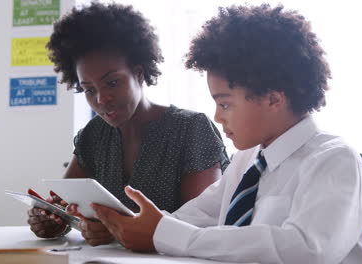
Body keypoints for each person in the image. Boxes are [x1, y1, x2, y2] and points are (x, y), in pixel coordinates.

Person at [89, 4, 362, 263]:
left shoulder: (333, 159)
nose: (217, 116)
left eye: (225, 103)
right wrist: (128, 226)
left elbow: (306, 250)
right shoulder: (246, 160)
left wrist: (168, 234)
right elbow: (196, 217)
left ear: (274, 100)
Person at [27, 2, 229, 245]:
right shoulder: (94, 135)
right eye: (89, 89)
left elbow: (200, 223)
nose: (101, 99)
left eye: (112, 83)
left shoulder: (191, 128)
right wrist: (53, 221)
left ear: (139, 73)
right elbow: (64, 206)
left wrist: (115, 231)